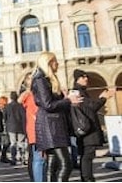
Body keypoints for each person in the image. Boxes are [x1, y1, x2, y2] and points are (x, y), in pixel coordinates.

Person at [31, 51, 82, 182]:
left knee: (52, 164)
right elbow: (47, 104)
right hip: (51, 126)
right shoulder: (40, 79)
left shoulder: (45, 79)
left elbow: (51, 102)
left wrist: (67, 100)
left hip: (52, 124)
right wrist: (68, 100)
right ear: (48, 63)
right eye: (55, 61)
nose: (57, 64)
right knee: (66, 164)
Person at [72, 69, 115, 182]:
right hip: (86, 129)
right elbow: (91, 107)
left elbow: (88, 106)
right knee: (87, 155)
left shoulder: (80, 91)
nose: (86, 78)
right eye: (83, 77)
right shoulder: (77, 92)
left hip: (85, 128)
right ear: (77, 79)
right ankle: (87, 179)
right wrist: (104, 98)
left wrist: (101, 98)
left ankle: (87, 178)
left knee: (86, 155)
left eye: (86, 76)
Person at [18, 72, 45, 182]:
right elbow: (20, 100)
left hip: (40, 128)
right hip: (35, 129)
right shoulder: (29, 94)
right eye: (29, 78)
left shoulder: (37, 92)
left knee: (42, 159)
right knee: (39, 159)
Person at [4, 91, 26, 166]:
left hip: (11, 127)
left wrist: (6, 126)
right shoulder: (21, 106)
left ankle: (13, 159)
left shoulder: (7, 106)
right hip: (20, 127)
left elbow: (5, 117)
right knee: (21, 143)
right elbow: (24, 117)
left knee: (13, 143)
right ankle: (22, 158)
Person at [0, 95, 10, 164]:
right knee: (6, 142)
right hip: (3, 128)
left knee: (6, 143)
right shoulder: (1, 110)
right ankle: (3, 156)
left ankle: (3, 156)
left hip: (2, 128)